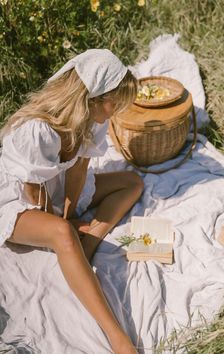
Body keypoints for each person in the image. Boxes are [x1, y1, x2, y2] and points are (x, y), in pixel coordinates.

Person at [0, 49, 144, 354]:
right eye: (114, 102)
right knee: (62, 234)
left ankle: (88, 241)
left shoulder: (93, 120)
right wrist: (60, 223)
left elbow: (79, 168)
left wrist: (71, 209)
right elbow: (31, 189)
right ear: (92, 96)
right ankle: (117, 338)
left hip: (51, 187)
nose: (116, 110)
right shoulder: (38, 129)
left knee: (132, 182)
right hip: (16, 198)